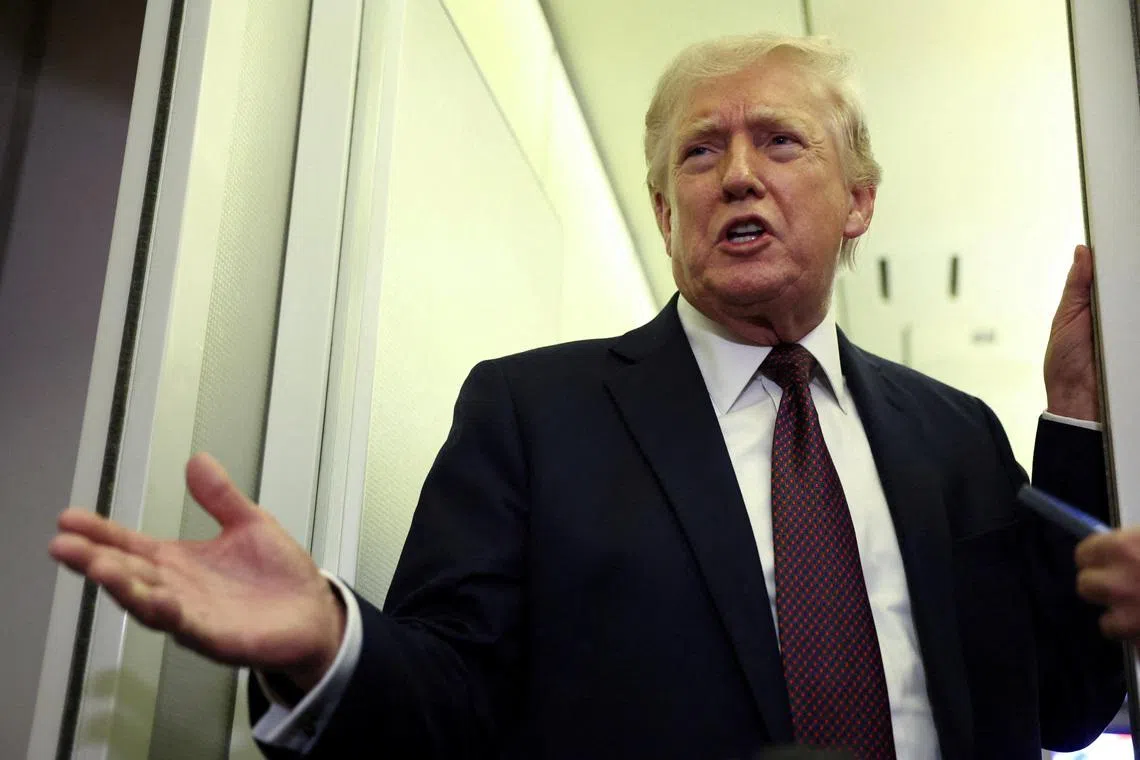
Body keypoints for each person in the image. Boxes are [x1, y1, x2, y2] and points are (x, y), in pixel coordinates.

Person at [49, 33, 1124, 759]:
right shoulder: (533, 416)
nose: (736, 174)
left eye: (779, 141)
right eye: (700, 153)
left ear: (859, 201)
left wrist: (1077, 412)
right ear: (665, 214)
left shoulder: (957, 438)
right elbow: (455, 696)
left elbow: (1064, 702)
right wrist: (330, 643)